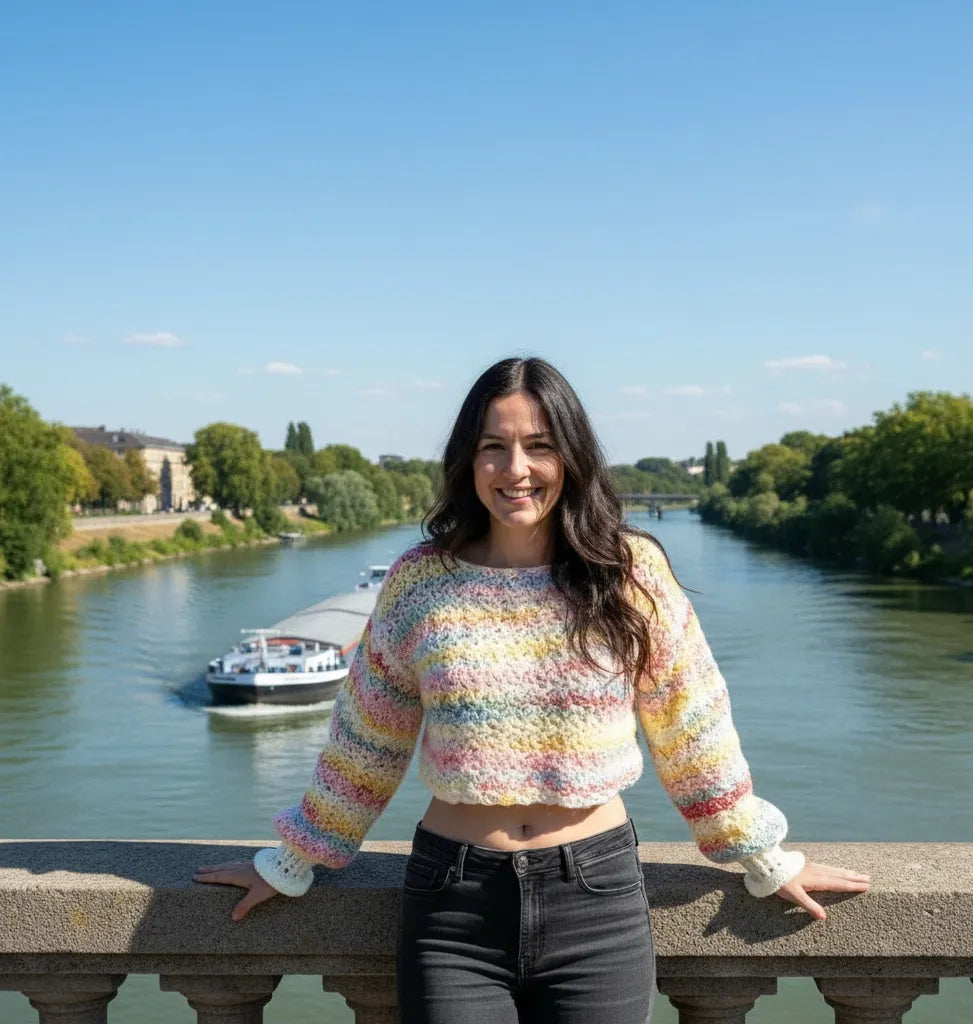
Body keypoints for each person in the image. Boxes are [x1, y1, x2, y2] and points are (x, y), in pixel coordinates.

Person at [196, 356, 870, 1024]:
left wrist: (762, 857)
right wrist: (292, 860)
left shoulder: (629, 574)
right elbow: (366, 744)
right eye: (494, 447)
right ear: (468, 460)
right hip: (452, 905)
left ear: (572, 457)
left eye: (539, 446)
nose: (515, 469)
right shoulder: (419, 582)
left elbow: (691, 728)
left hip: (598, 903)